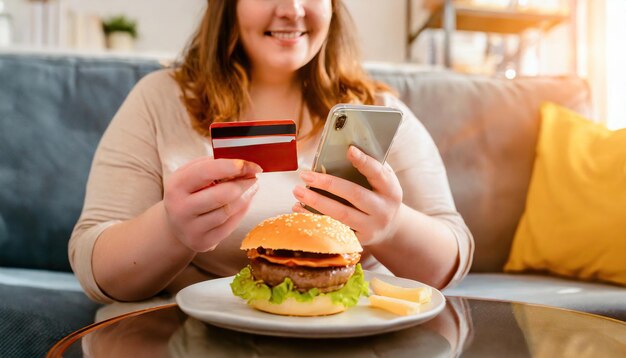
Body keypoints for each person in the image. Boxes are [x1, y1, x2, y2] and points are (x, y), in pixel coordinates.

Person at [70, 0, 474, 304]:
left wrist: (392, 227)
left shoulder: (376, 111)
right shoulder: (159, 99)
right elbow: (95, 267)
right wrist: (171, 231)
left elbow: (451, 257)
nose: (292, 10)